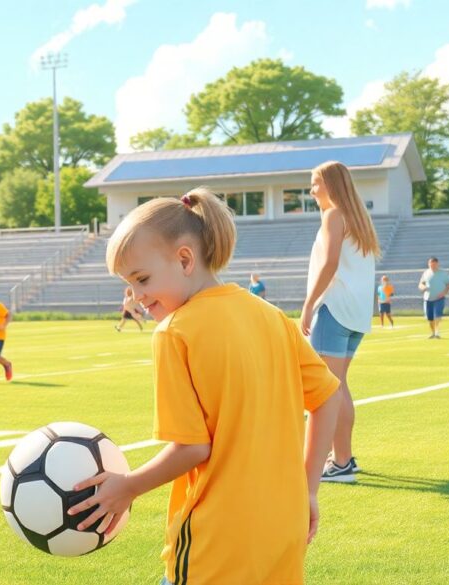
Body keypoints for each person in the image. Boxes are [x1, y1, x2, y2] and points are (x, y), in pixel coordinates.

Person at [67, 189, 340, 585]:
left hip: (218, 540)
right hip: (284, 528)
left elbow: (194, 448)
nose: (137, 297)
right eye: (129, 284)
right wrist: (308, 489)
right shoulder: (272, 317)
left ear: (184, 259)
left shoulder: (175, 333)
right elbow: (328, 398)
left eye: (142, 279)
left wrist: (128, 487)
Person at [302, 161, 379, 484]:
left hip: (334, 309)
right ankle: (343, 458)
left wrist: (308, 304)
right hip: (355, 313)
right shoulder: (358, 218)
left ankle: (341, 462)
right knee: (338, 385)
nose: (311, 190)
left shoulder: (334, 215)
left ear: (331, 184)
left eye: (315, 183)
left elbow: (330, 262)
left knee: (327, 390)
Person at [418, 257, 449, 339]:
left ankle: (437, 332)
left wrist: (444, 293)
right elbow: (420, 284)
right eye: (431, 264)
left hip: (439, 298)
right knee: (430, 318)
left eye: (434, 264)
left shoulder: (443, 273)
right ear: (428, 264)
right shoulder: (426, 273)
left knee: (437, 315)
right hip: (428, 298)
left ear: (437, 264)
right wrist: (423, 287)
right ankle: (433, 333)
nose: (432, 266)